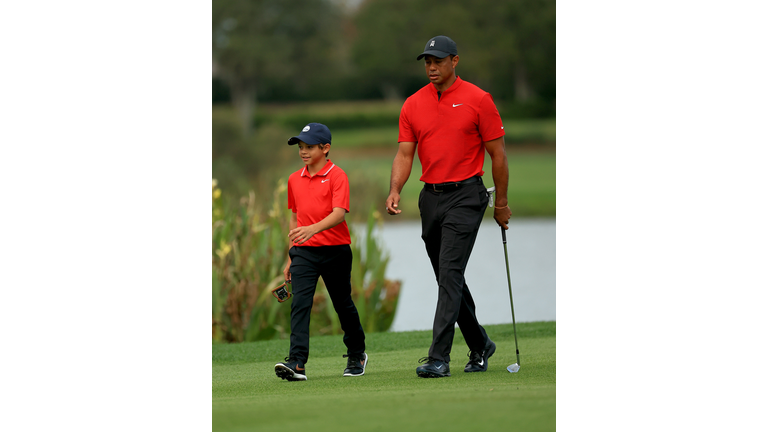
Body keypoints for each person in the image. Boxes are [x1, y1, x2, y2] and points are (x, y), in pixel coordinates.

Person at [385, 36, 512, 378]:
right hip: (431, 197)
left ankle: (439, 357)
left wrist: (500, 203)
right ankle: (481, 343)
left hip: (467, 196)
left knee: (450, 274)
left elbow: (497, 155)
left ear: (454, 61)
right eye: (427, 61)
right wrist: (396, 188)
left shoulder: (478, 99)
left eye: (438, 61)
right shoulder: (413, 104)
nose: (431, 67)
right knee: (447, 277)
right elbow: (404, 153)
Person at [275, 122, 367, 381]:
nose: (303, 152)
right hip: (304, 251)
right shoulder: (294, 179)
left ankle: (356, 353)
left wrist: (311, 229)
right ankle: (297, 362)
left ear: (325, 148)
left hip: (335, 250)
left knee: (342, 304)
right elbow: (295, 218)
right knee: (300, 304)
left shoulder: (338, 176)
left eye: (309, 147)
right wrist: (290, 255)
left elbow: (339, 214)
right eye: (301, 147)